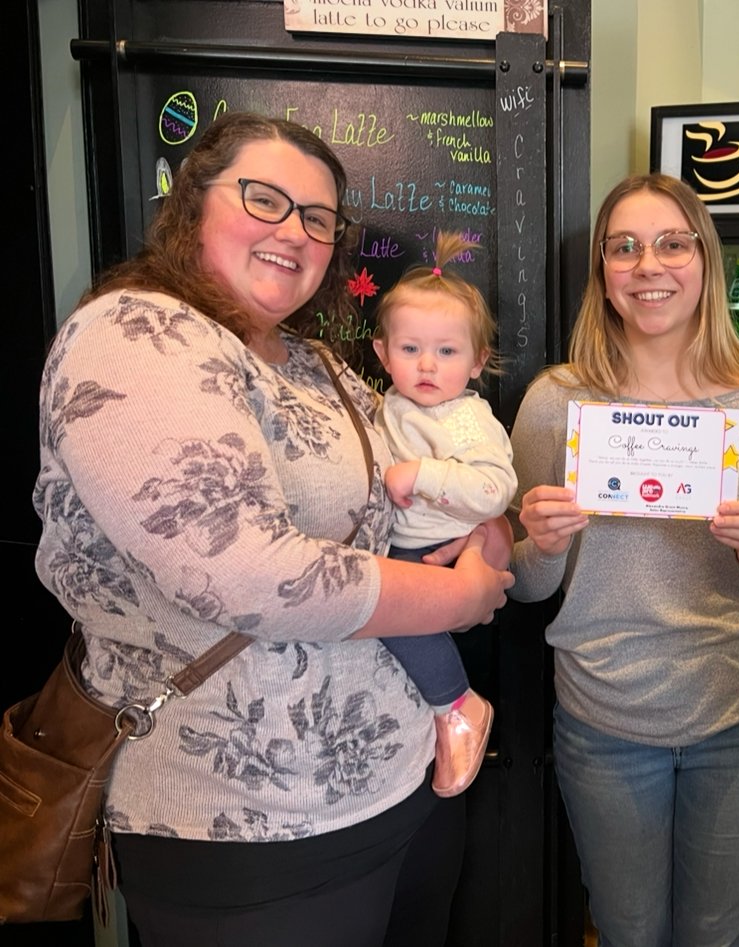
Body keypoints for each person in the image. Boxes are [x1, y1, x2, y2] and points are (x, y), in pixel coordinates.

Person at [32, 112, 513, 947]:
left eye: (318, 218)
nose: (293, 230)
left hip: (402, 784)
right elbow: (253, 574)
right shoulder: (135, 334)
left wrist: (491, 531)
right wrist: (461, 596)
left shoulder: (315, 363)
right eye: (265, 198)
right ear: (193, 204)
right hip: (247, 830)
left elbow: (422, 497)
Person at [507, 172, 739, 947]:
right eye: (625, 247)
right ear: (604, 271)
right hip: (604, 717)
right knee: (627, 931)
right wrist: (542, 545)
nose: (648, 264)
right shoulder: (555, 401)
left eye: (672, 243)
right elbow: (523, 584)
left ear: (704, 260)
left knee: (720, 933)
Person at [371, 233, 517, 798]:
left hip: (433, 552)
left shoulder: (465, 420)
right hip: (400, 543)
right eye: (410, 349)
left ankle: (457, 706)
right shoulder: (390, 404)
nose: (427, 364)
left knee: (397, 623)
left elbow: (495, 490)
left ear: (478, 362)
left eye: (448, 352)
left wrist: (423, 475)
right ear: (383, 354)